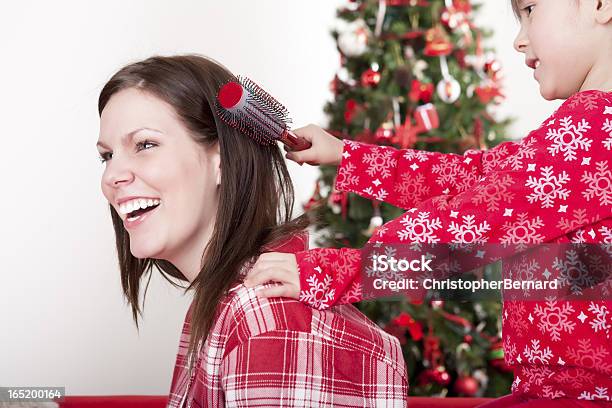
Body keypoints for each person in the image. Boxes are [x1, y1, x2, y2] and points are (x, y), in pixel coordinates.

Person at [244, 0, 612, 406]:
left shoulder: (592, 129)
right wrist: (348, 156)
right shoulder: (589, 131)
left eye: (530, 9)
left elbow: (461, 229)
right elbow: (476, 177)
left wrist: (328, 272)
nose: (519, 40)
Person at [96, 54, 408, 407]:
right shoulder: (223, 307)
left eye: (145, 145)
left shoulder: (268, 323)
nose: (111, 177)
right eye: (107, 156)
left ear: (221, 163)